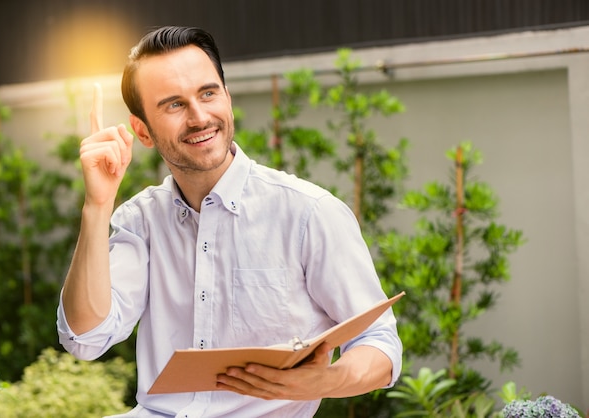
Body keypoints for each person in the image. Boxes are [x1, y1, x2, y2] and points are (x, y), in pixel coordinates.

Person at [56, 25, 402, 418]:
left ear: (227, 97)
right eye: (174, 104)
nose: (200, 117)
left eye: (208, 93)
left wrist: (326, 381)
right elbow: (85, 339)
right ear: (142, 131)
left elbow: (380, 344)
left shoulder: (310, 213)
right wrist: (97, 205)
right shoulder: (141, 220)